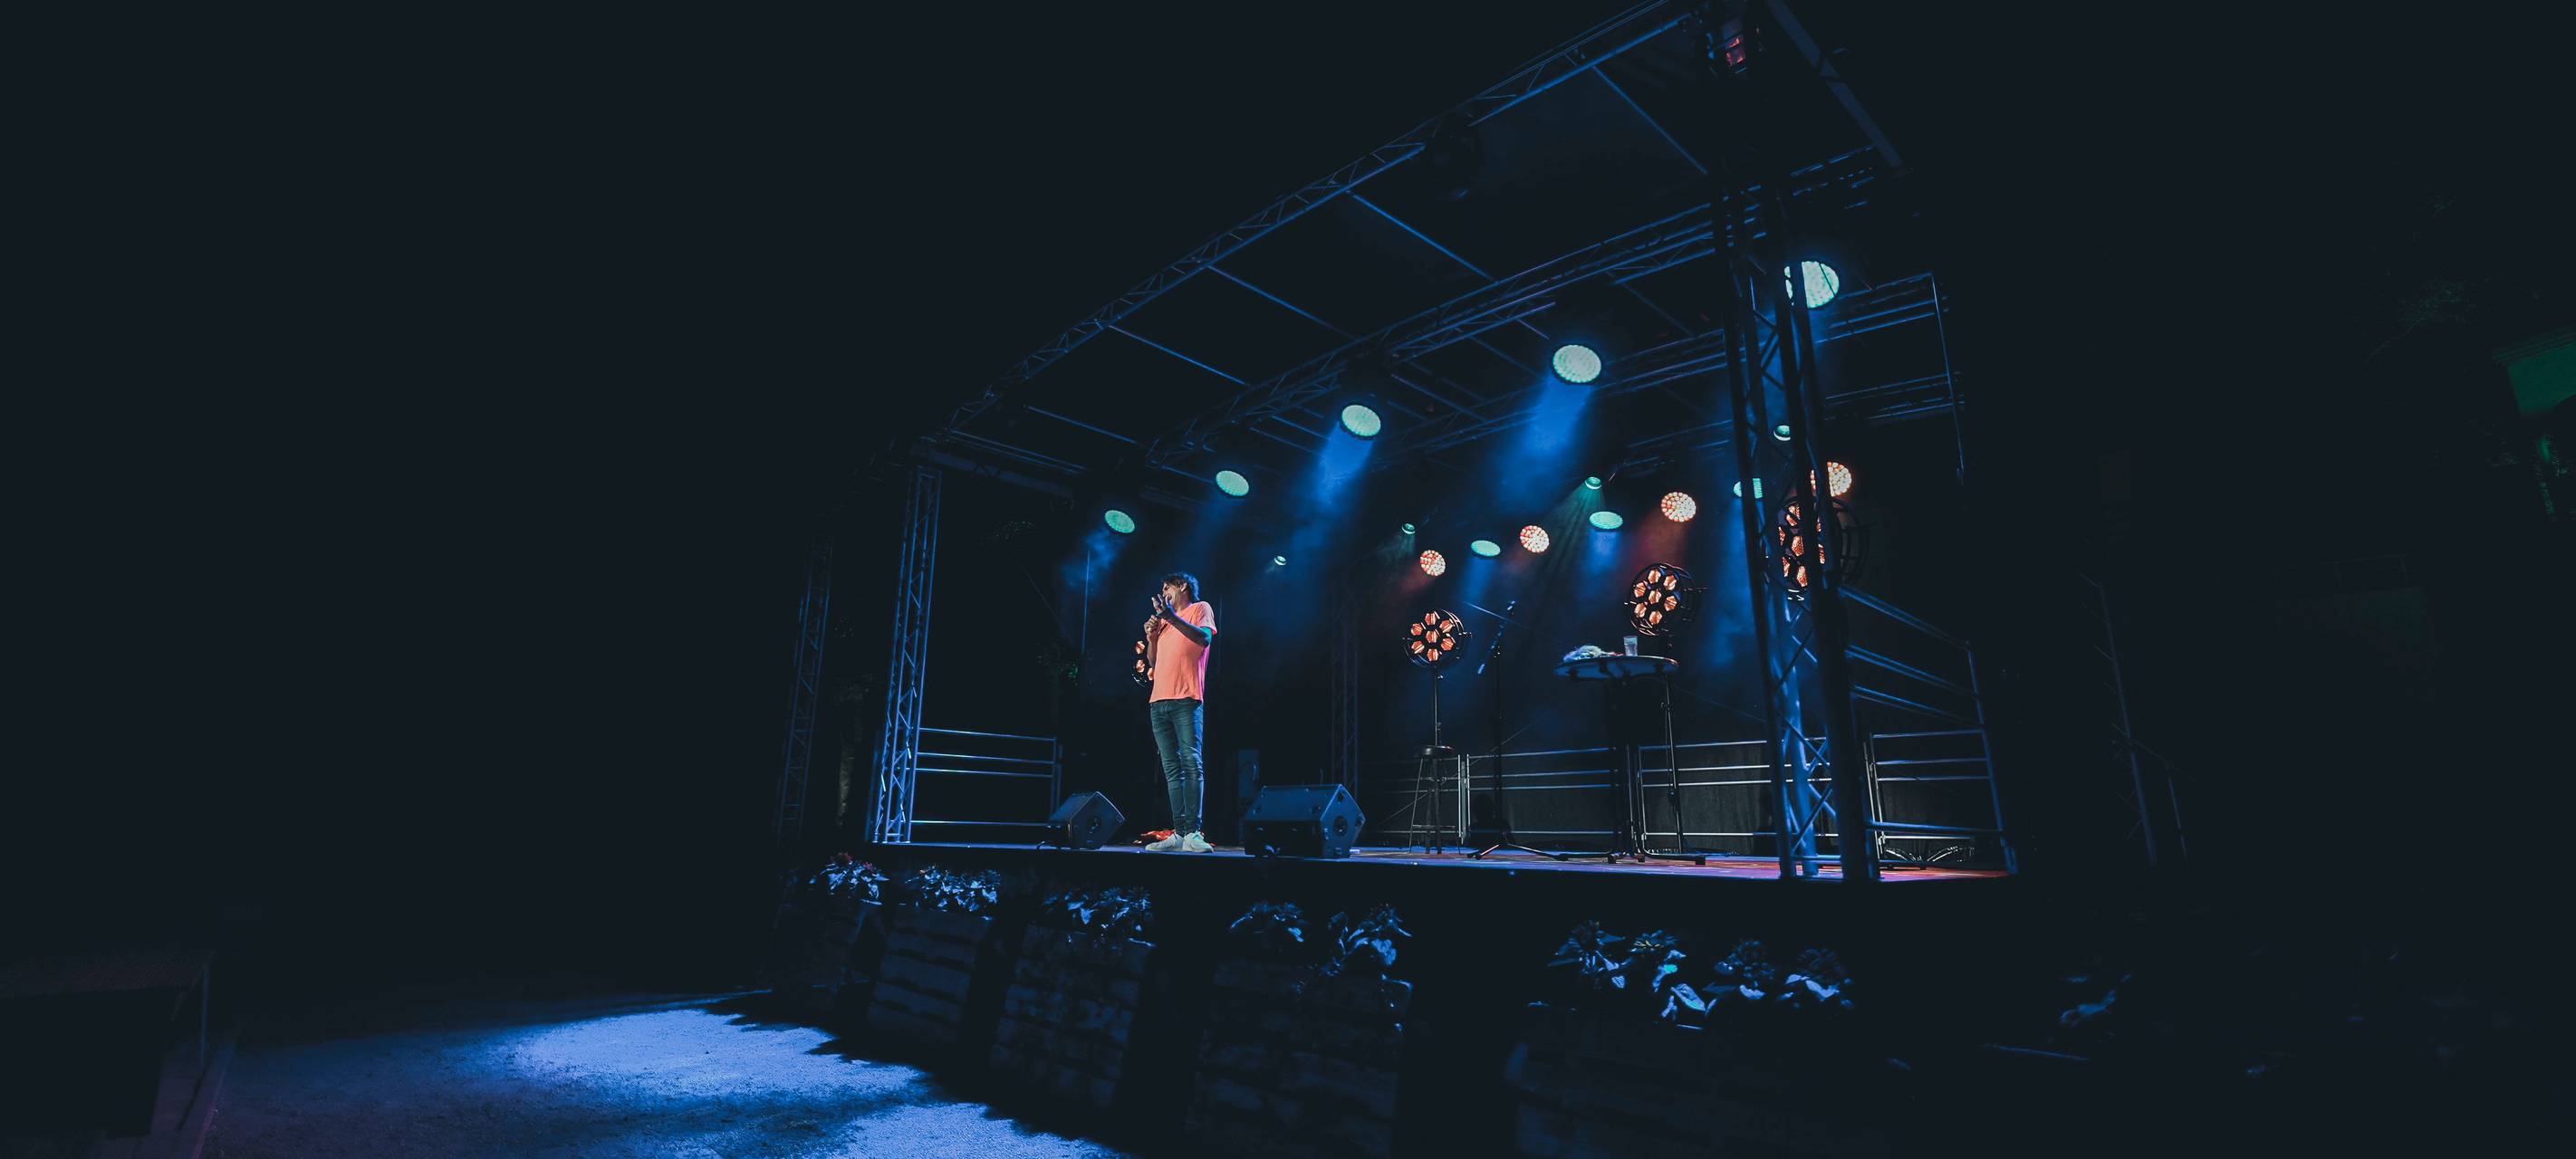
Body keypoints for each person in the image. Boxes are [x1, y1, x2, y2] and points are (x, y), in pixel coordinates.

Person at [1142, 572, 1216, 852]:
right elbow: (1153, 661)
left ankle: (1193, 833)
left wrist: (1171, 617)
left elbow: (1204, 639)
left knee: (1191, 763)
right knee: (1171, 769)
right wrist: (1151, 636)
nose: (1164, 593)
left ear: (1182, 586)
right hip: (1158, 701)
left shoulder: (1200, 608)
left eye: (1167, 587)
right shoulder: (1164, 621)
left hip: (1186, 698)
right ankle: (1179, 833)